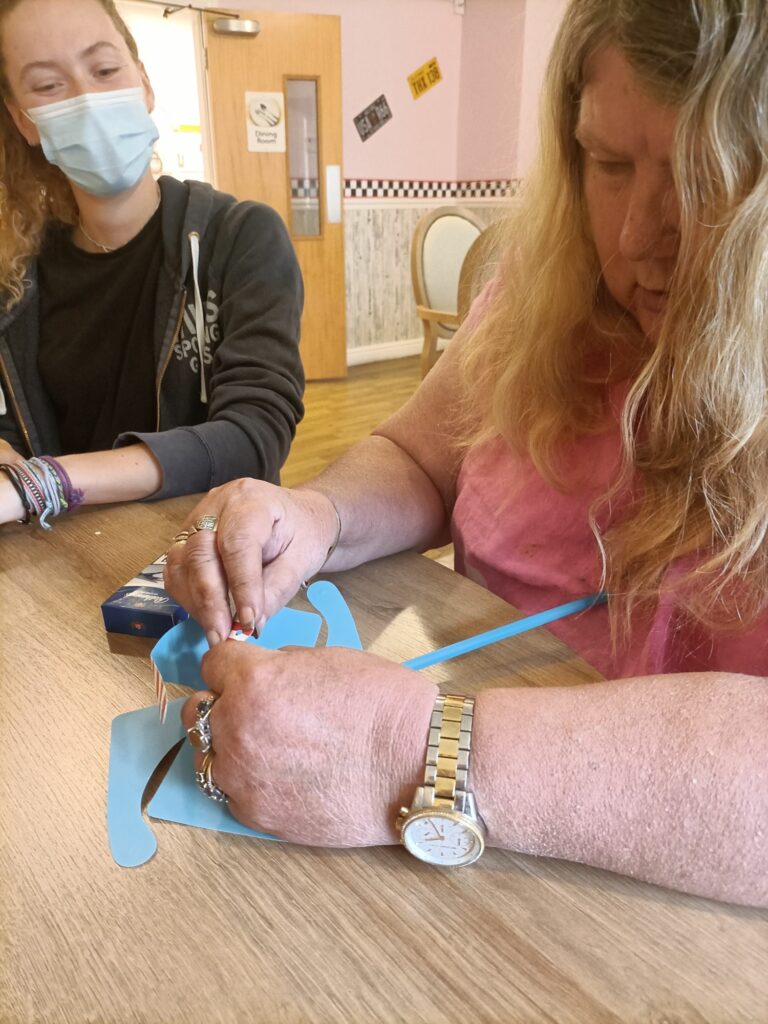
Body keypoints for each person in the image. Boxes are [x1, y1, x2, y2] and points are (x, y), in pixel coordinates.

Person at [165, 0, 768, 907]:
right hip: (454, 866)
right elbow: (422, 458)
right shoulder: (541, 287)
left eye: (704, 177)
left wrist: (415, 750)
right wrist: (319, 515)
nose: (636, 234)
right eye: (608, 164)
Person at [0, 0, 304, 528]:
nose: (88, 99)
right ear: (23, 120)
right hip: (59, 549)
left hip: (203, 545)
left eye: (104, 69)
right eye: (49, 85)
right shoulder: (15, 273)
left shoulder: (241, 237)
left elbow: (255, 435)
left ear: (143, 83)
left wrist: (44, 483)